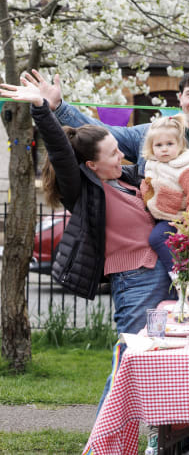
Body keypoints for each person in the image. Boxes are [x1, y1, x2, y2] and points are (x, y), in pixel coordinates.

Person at [3, 84, 175, 415]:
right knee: (129, 364)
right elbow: (60, 151)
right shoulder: (84, 190)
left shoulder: (128, 178)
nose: (121, 156)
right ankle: (101, 444)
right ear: (91, 165)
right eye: (112, 153)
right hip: (135, 283)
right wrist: (42, 109)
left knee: (167, 363)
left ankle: (177, 441)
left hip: (164, 275)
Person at [19, 60, 189, 240]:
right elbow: (103, 132)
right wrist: (58, 107)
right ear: (181, 98)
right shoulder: (152, 135)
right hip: (157, 238)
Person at [140, 114, 189, 274]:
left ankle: (179, 275)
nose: (164, 149)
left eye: (169, 144)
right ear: (151, 148)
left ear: (180, 145)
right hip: (159, 216)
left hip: (178, 221)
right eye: (158, 145)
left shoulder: (186, 169)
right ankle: (188, 283)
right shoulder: (152, 165)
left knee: (156, 238)